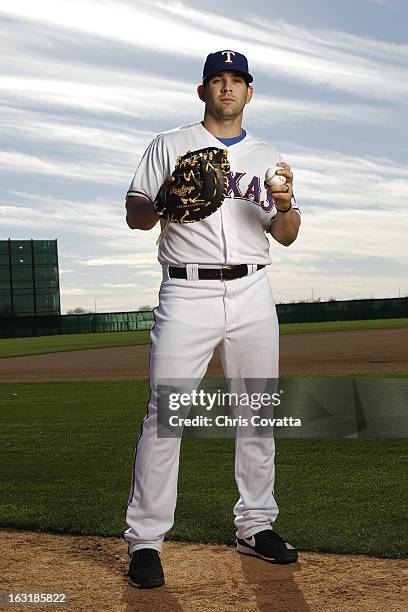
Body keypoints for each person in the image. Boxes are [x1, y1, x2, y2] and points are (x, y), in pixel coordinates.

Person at [124, 50, 301, 589]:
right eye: (217, 80)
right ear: (202, 91)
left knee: (258, 409)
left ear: (250, 93)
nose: (227, 88)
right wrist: (164, 201)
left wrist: (286, 202)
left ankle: (255, 524)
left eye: (237, 80)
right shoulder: (169, 145)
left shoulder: (268, 156)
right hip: (187, 292)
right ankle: (146, 542)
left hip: (252, 289)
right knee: (167, 413)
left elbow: (288, 233)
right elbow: (134, 215)